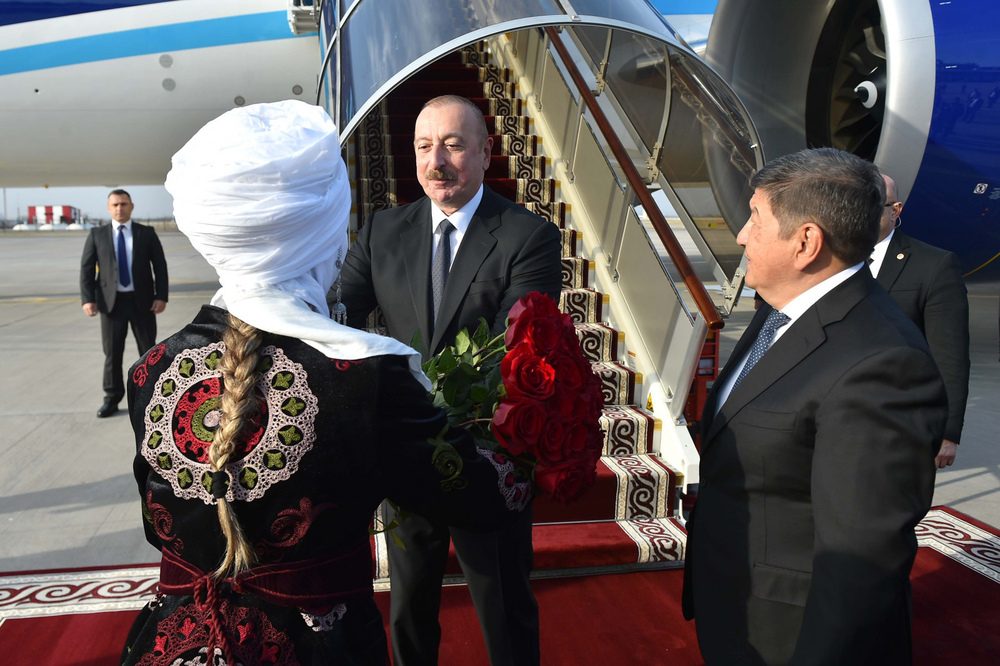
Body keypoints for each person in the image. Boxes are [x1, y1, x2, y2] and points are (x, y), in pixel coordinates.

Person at [121, 100, 531, 666]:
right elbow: (484, 495)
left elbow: (158, 522)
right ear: (325, 237)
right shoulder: (367, 378)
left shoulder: (149, 370)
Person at [682, 148, 948, 665]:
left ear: (806, 242)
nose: (741, 235)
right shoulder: (782, 309)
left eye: (755, 219)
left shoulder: (883, 365)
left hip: (790, 634)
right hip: (734, 602)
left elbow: (859, 563)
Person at [339, 94, 562, 666]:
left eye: (453, 145)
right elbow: (338, 319)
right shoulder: (382, 231)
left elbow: (512, 346)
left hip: (488, 452)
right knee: (409, 605)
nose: (435, 162)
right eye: (423, 146)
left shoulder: (528, 235)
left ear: (486, 153)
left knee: (502, 603)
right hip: (404, 450)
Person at [870, 174, 970, 468]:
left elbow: (950, 357)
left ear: (895, 210)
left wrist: (947, 430)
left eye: (871, 204)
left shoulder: (933, 265)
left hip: (898, 423)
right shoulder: (828, 259)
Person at [80, 189, 168, 417]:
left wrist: (161, 296)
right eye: (115, 205)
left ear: (132, 206)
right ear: (109, 208)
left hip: (143, 302)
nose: (120, 208)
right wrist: (88, 299)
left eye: (124, 204)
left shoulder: (145, 233)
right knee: (112, 353)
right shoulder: (97, 234)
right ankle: (111, 398)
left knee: (148, 352)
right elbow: (87, 269)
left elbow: (160, 266)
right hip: (111, 305)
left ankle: (152, 397)